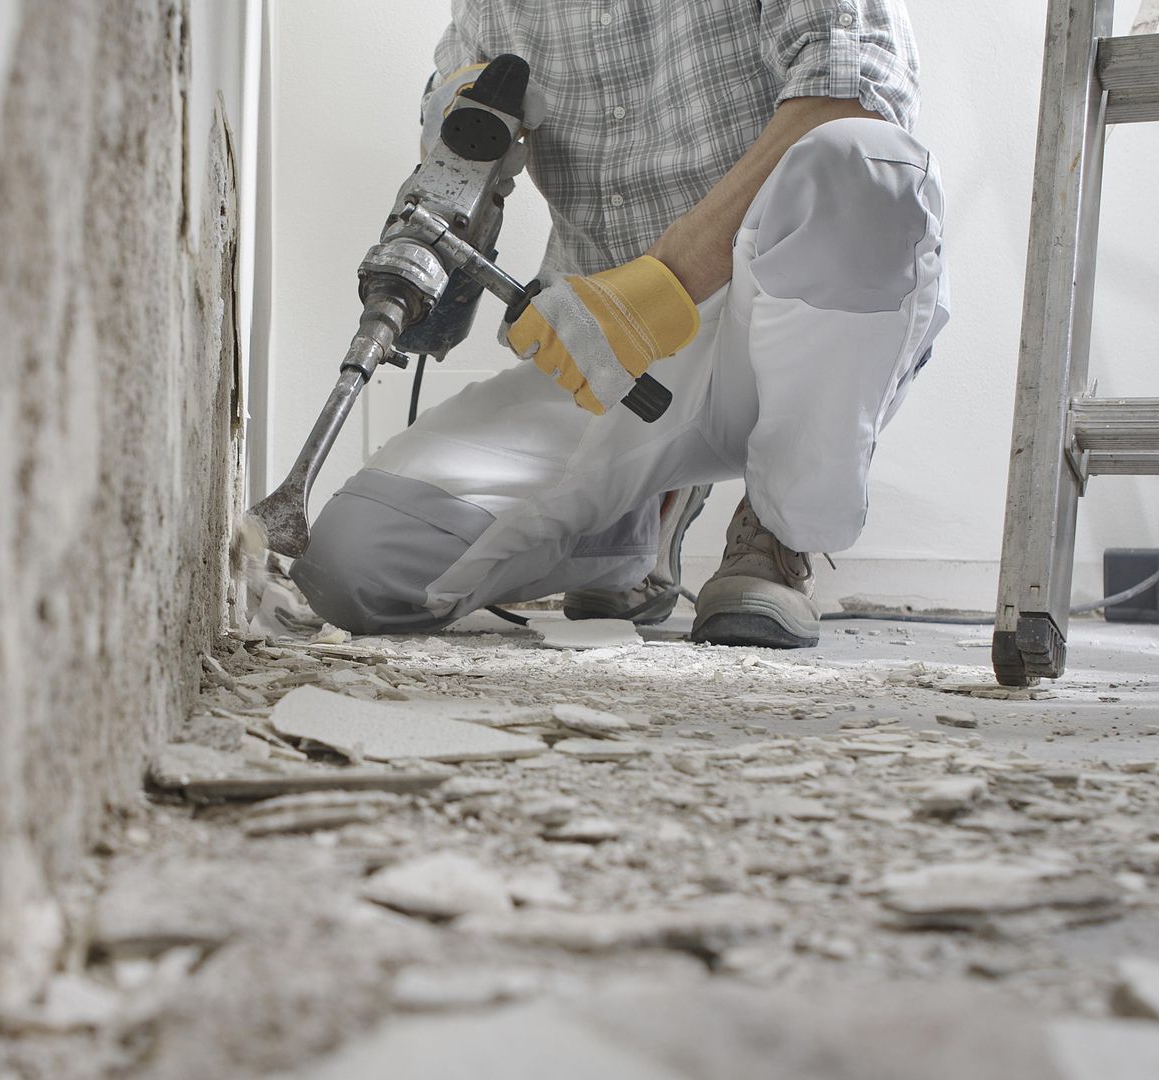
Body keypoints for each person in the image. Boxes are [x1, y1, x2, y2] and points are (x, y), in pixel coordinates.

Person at [291, 0, 949, 649]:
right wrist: (456, 144)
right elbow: (454, 164)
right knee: (357, 565)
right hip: (603, 362)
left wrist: (653, 291)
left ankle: (779, 531)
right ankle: (634, 521)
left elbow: (857, 93)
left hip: (780, 325)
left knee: (865, 160)